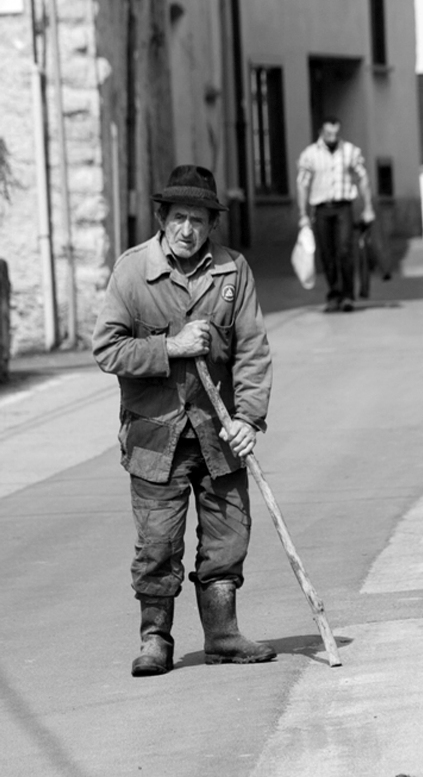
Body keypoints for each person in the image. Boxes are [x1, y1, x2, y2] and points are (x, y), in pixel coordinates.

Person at [92, 165, 276, 676]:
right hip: (156, 436)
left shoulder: (233, 271)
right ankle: (155, 640)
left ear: (212, 224)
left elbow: (253, 350)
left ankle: (222, 634)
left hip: (220, 435)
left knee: (227, 538)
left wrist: (249, 420)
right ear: (162, 219)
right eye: (179, 218)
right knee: (157, 546)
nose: (188, 230)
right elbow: (107, 349)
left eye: (198, 220)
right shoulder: (133, 272)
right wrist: (169, 347)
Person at [296, 116, 376, 312]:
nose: (332, 137)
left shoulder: (350, 151)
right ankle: (334, 294)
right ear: (321, 133)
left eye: (336, 133)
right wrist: (303, 214)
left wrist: (368, 207)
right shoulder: (310, 154)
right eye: (328, 133)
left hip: (343, 207)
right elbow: (302, 184)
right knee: (327, 254)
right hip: (321, 209)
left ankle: (348, 296)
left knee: (345, 250)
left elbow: (363, 178)